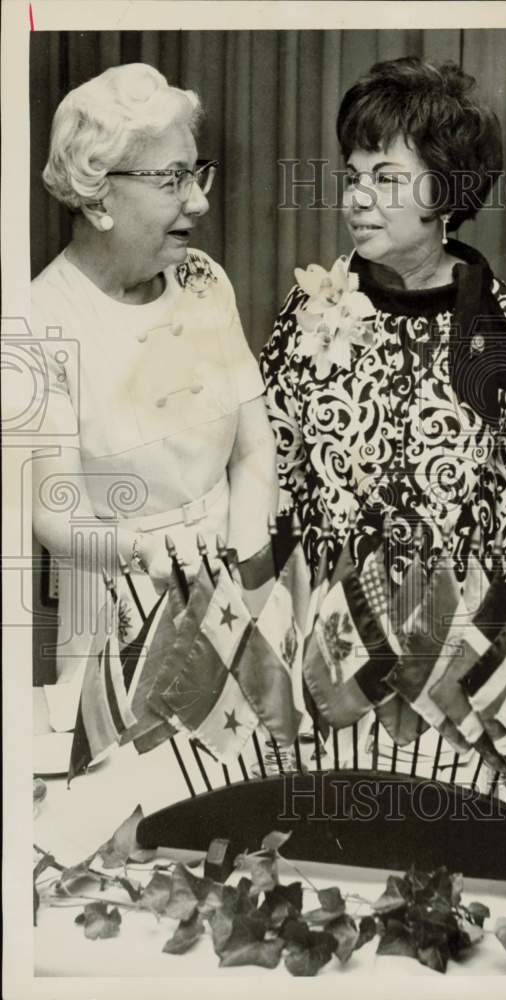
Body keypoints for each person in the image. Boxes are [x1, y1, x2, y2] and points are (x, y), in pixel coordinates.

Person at [31, 63, 277, 728]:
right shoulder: (37, 323)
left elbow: (255, 448)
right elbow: (53, 515)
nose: (198, 201)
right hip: (117, 621)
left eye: (199, 173)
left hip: (233, 599)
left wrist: (242, 580)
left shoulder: (203, 281)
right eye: (173, 179)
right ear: (97, 195)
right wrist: (147, 556)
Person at [261, 56, 506, 590]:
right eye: (353, 178)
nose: (358, 199)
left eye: (387, 179)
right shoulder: (306, 309)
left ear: (445, 193)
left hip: (457, 636)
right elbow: (276, 475)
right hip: (328, 625)